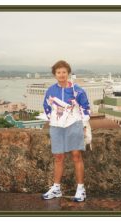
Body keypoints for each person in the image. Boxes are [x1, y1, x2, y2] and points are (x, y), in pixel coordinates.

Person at [41, 60, 91, 202]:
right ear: (55, 74)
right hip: (56, 126)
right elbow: (46, 105)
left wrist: (83, 122)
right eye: (58, 72)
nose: (61, 75)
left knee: (76, 155)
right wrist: (54, 118)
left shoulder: (78, 90)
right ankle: (56, 188)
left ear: (68, 73)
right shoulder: (51, 90)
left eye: (64, 72)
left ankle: (81, 189)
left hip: (74, 123)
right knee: (58, 157)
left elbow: (86, 108)